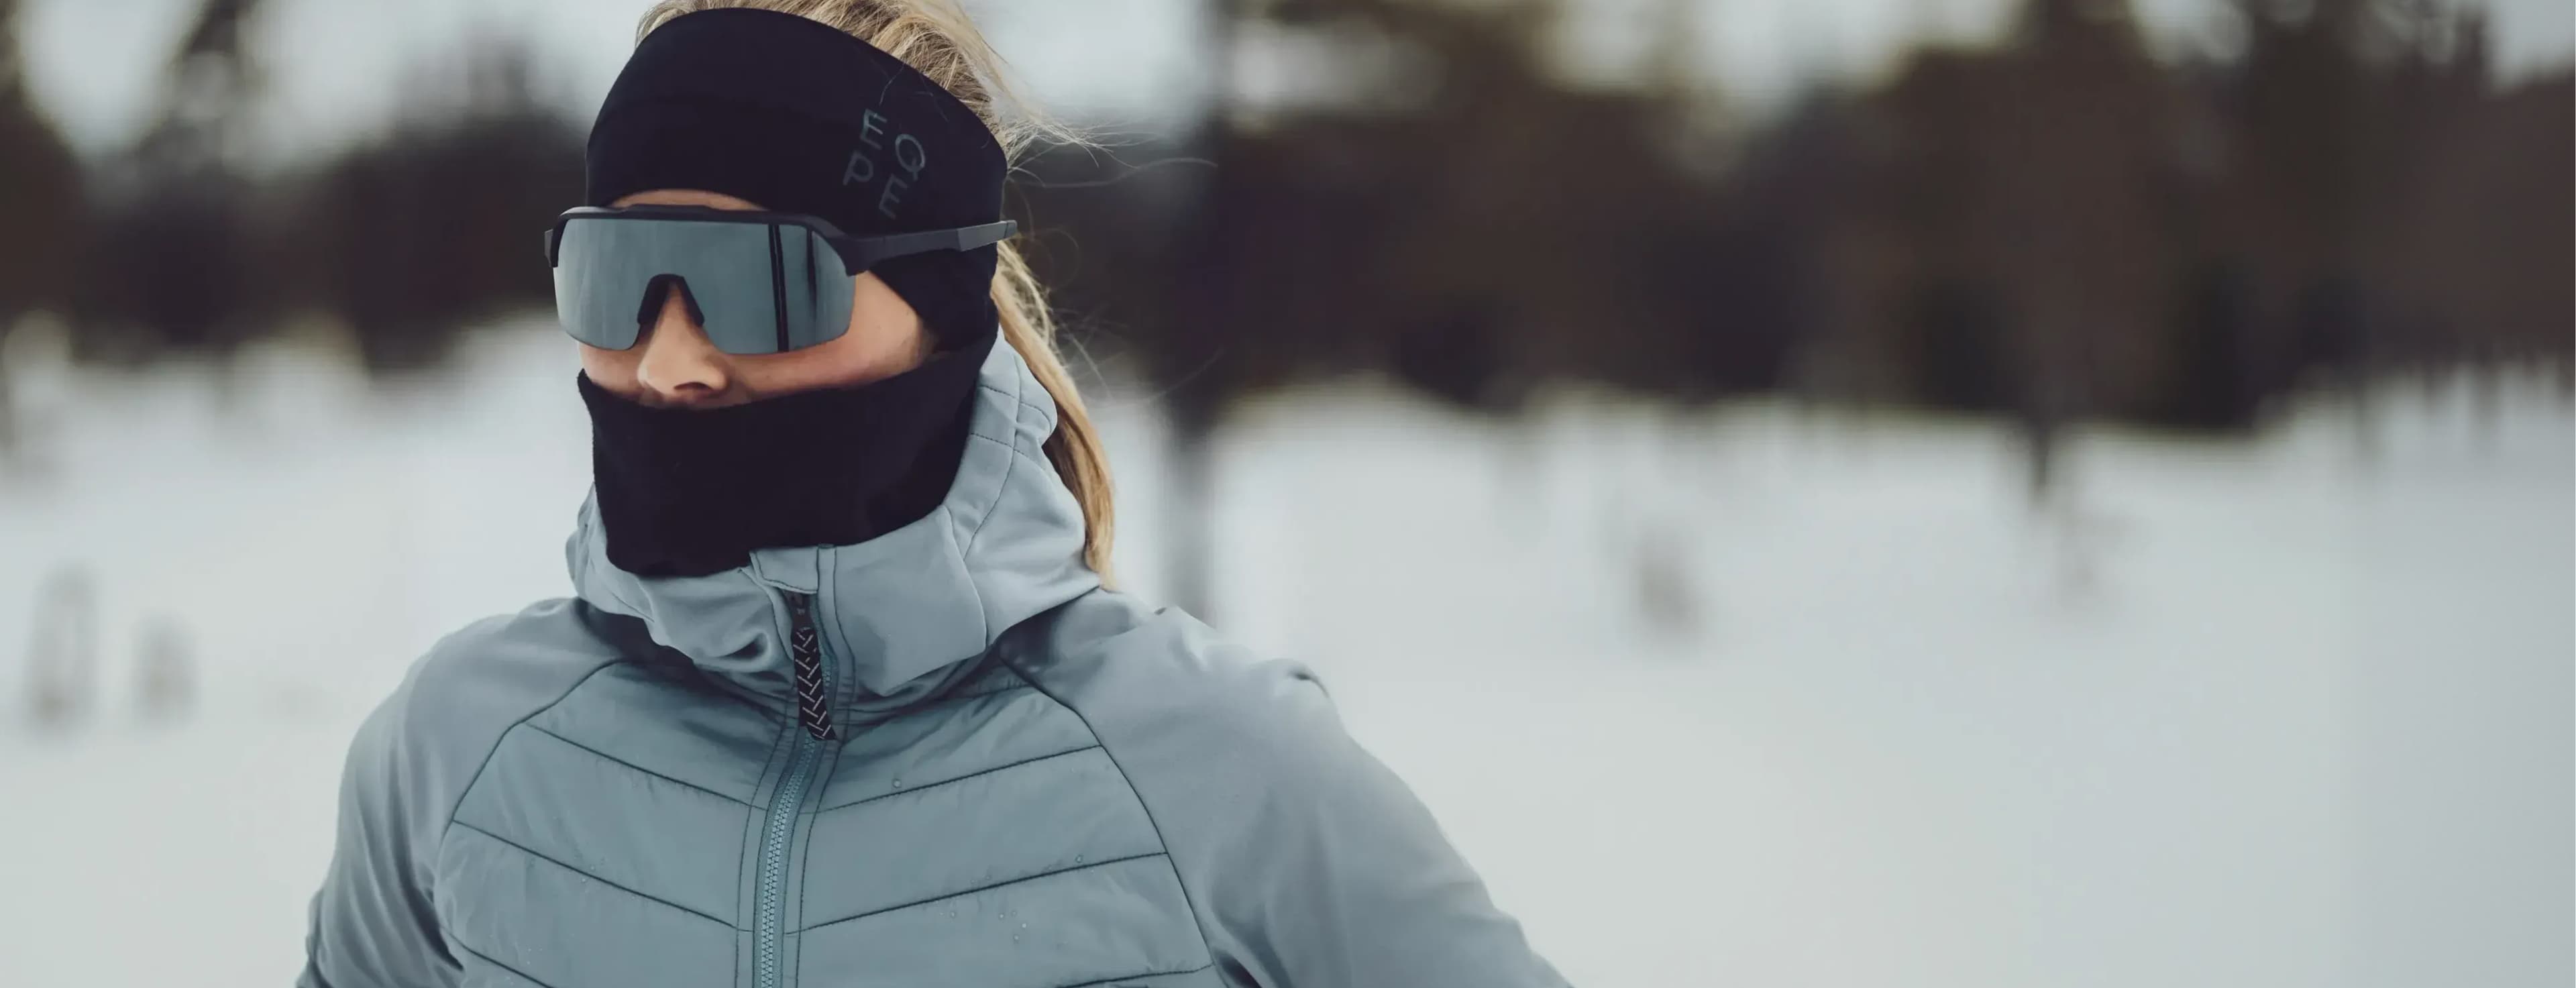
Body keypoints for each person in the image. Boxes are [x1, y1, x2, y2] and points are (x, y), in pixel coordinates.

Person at [297, 3, 1566, 987]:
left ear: (943, 308)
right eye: (618, 272)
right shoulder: (457, 753)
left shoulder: (1226, 773)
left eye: (765, 281)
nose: (671, 357)